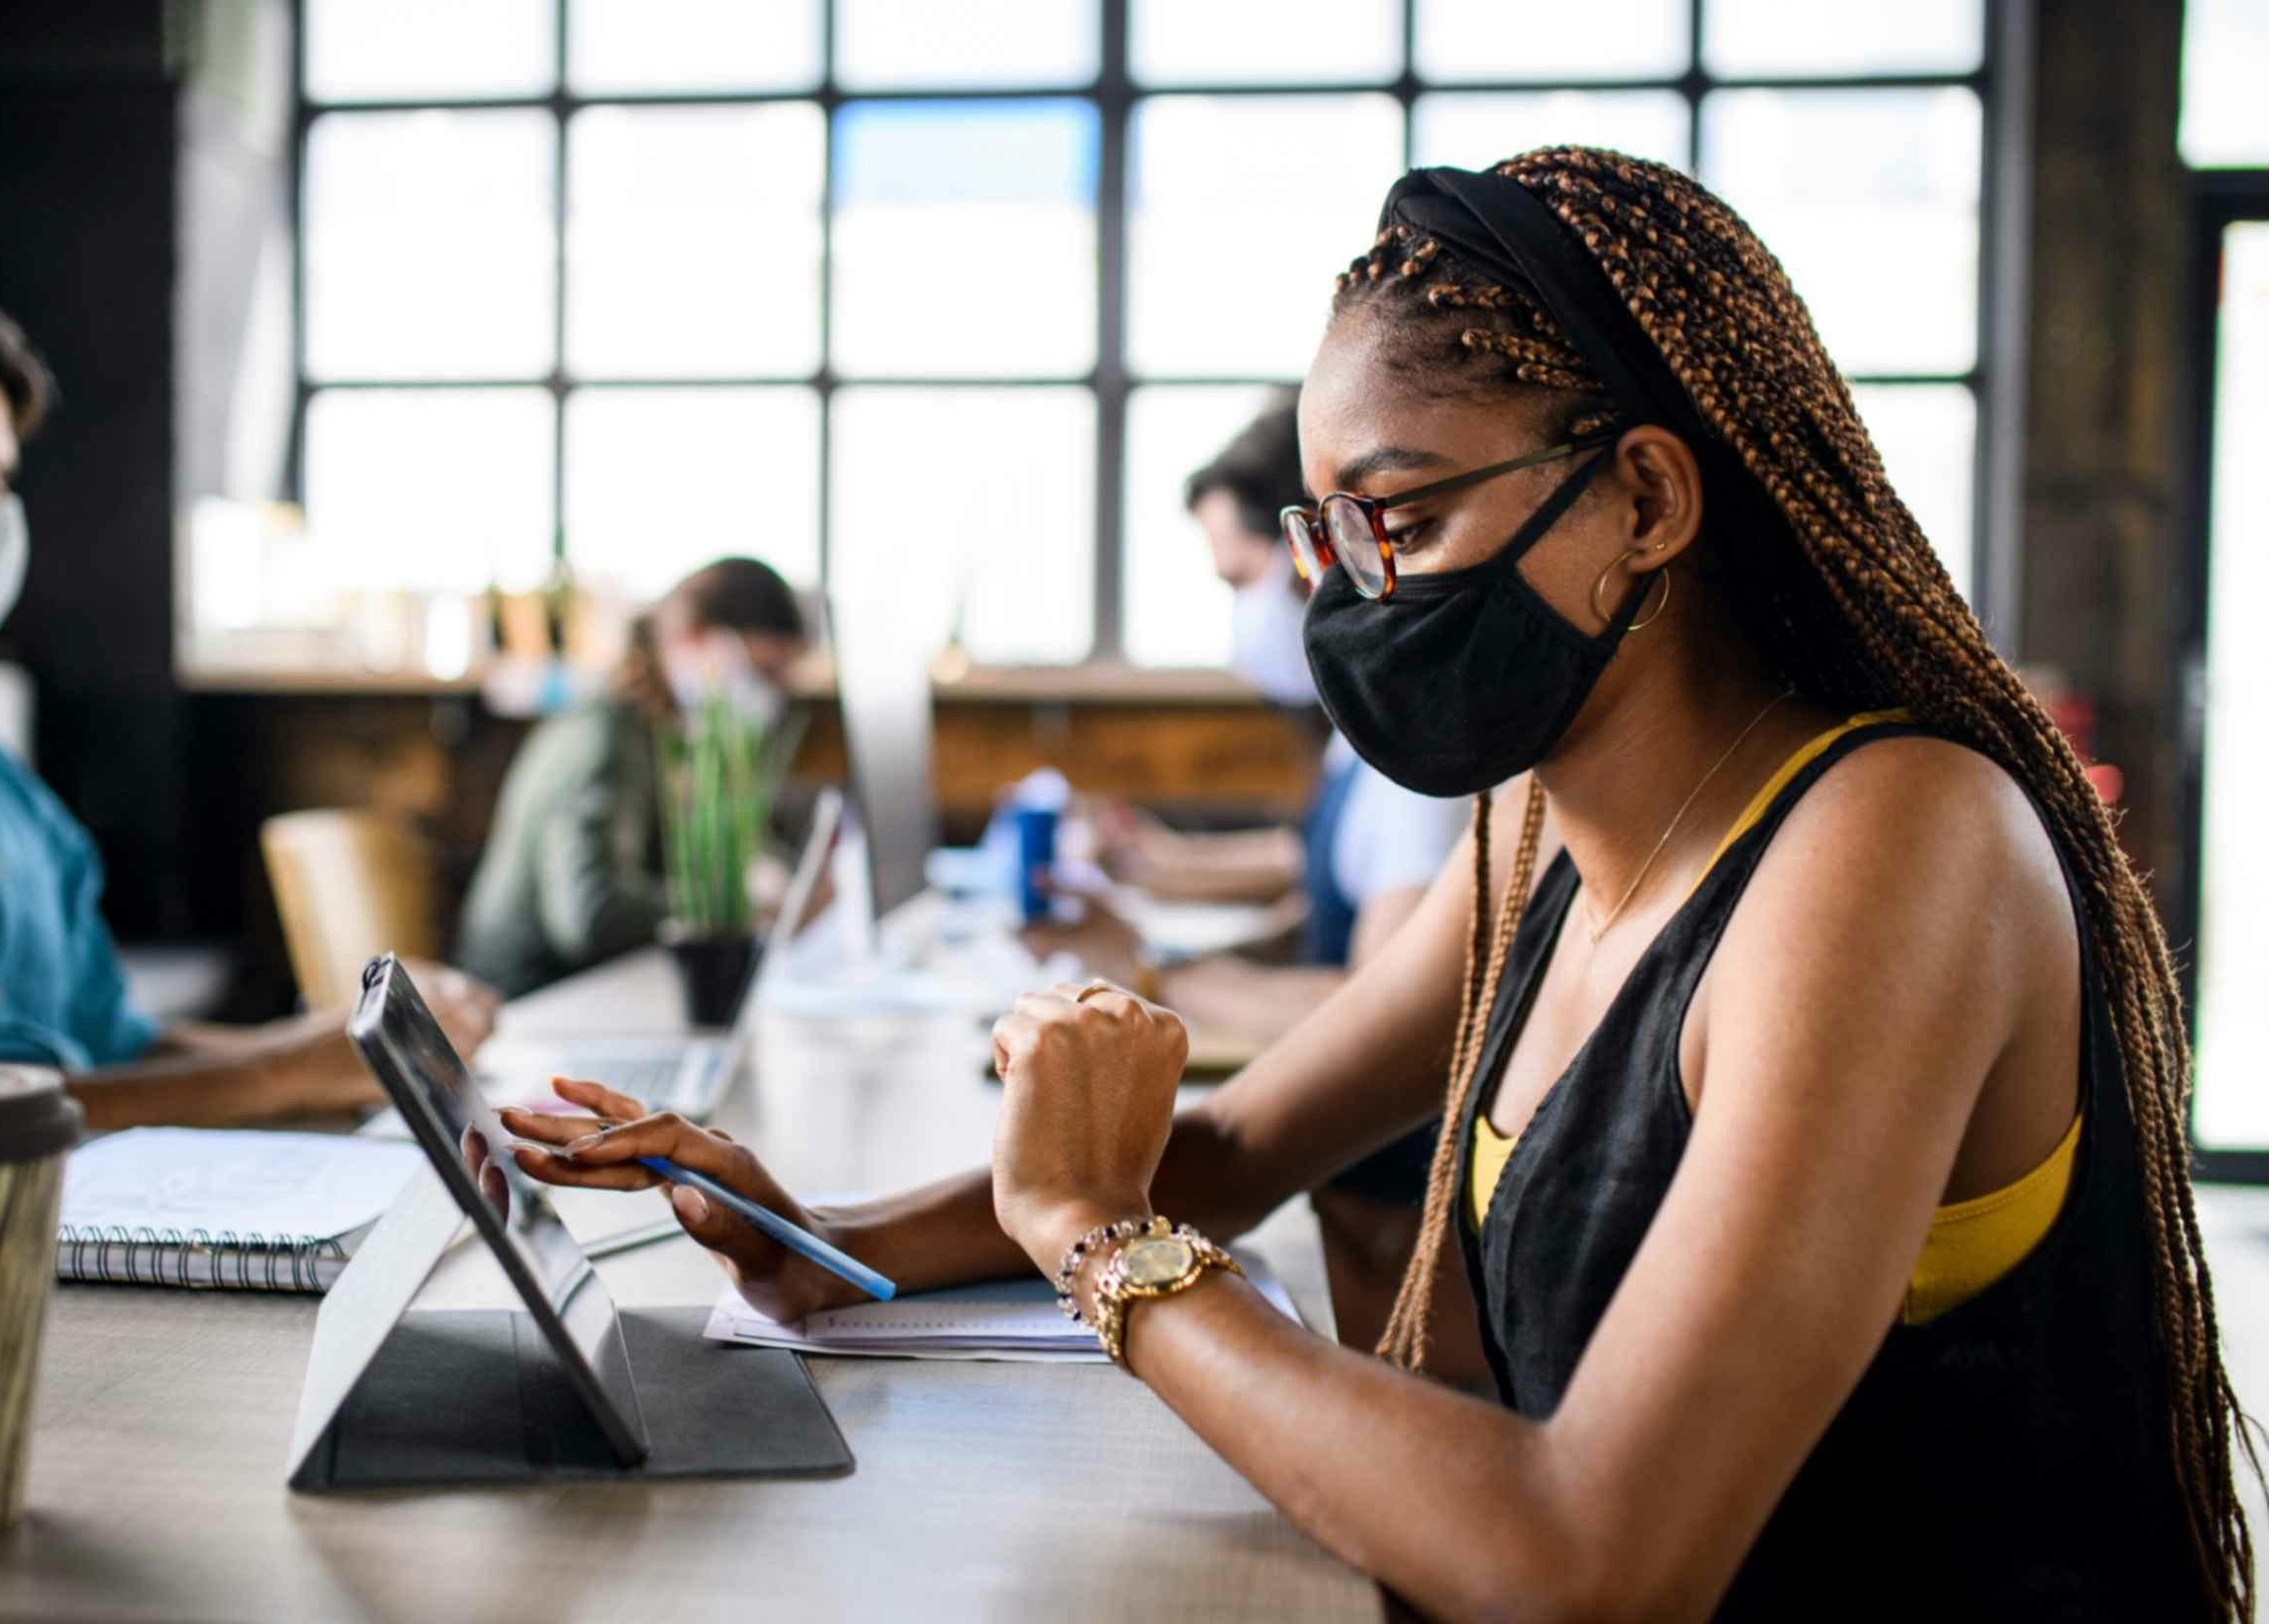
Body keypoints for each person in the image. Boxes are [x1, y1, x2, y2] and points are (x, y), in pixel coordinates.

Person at [497, 151, 2252, 1616]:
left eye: (1397, 519)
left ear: (1644, 495)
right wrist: (824, 1244)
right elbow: (1249, 1149)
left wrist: (1099, 1244)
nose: (1350, 593)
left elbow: (1600, 1552)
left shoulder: (1892, 844)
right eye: (1328, 533)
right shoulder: (1531, 829)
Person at [0, 292, 499, 1310]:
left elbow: (111, 1043)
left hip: (36, 1283)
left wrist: (351, 1048)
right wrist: (277, 1072)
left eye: (0, 477)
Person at [1037, 397, 1468, 1348]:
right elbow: (1306, 891)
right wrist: (1149, 883)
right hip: (1352, 1195)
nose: (1242, 614)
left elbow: (1376, 1006)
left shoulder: (1421, 768)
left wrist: (1148, 974)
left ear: (1324, 547)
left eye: (1242, 576)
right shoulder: (1369, 734)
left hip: (1393, 1235)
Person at [455, 557, 808, 999]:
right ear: (694, 635)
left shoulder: (681, 735)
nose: (774, 694)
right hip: (533, 1003)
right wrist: (733, 905)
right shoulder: (601, 736)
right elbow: (591, 914)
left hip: (609, 988)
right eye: (766, 671)